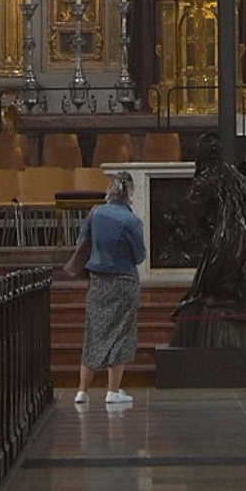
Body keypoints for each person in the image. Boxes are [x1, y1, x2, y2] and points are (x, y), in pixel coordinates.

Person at [68, 171, 145, 408]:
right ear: (129, 193)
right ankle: (113, 390)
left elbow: (83, 241)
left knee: (94, 332)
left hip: (98, 281)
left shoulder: (95, 213)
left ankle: (82, 390)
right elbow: (140, 256)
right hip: (123, 282)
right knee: (121, 333)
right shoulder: (132, 221)